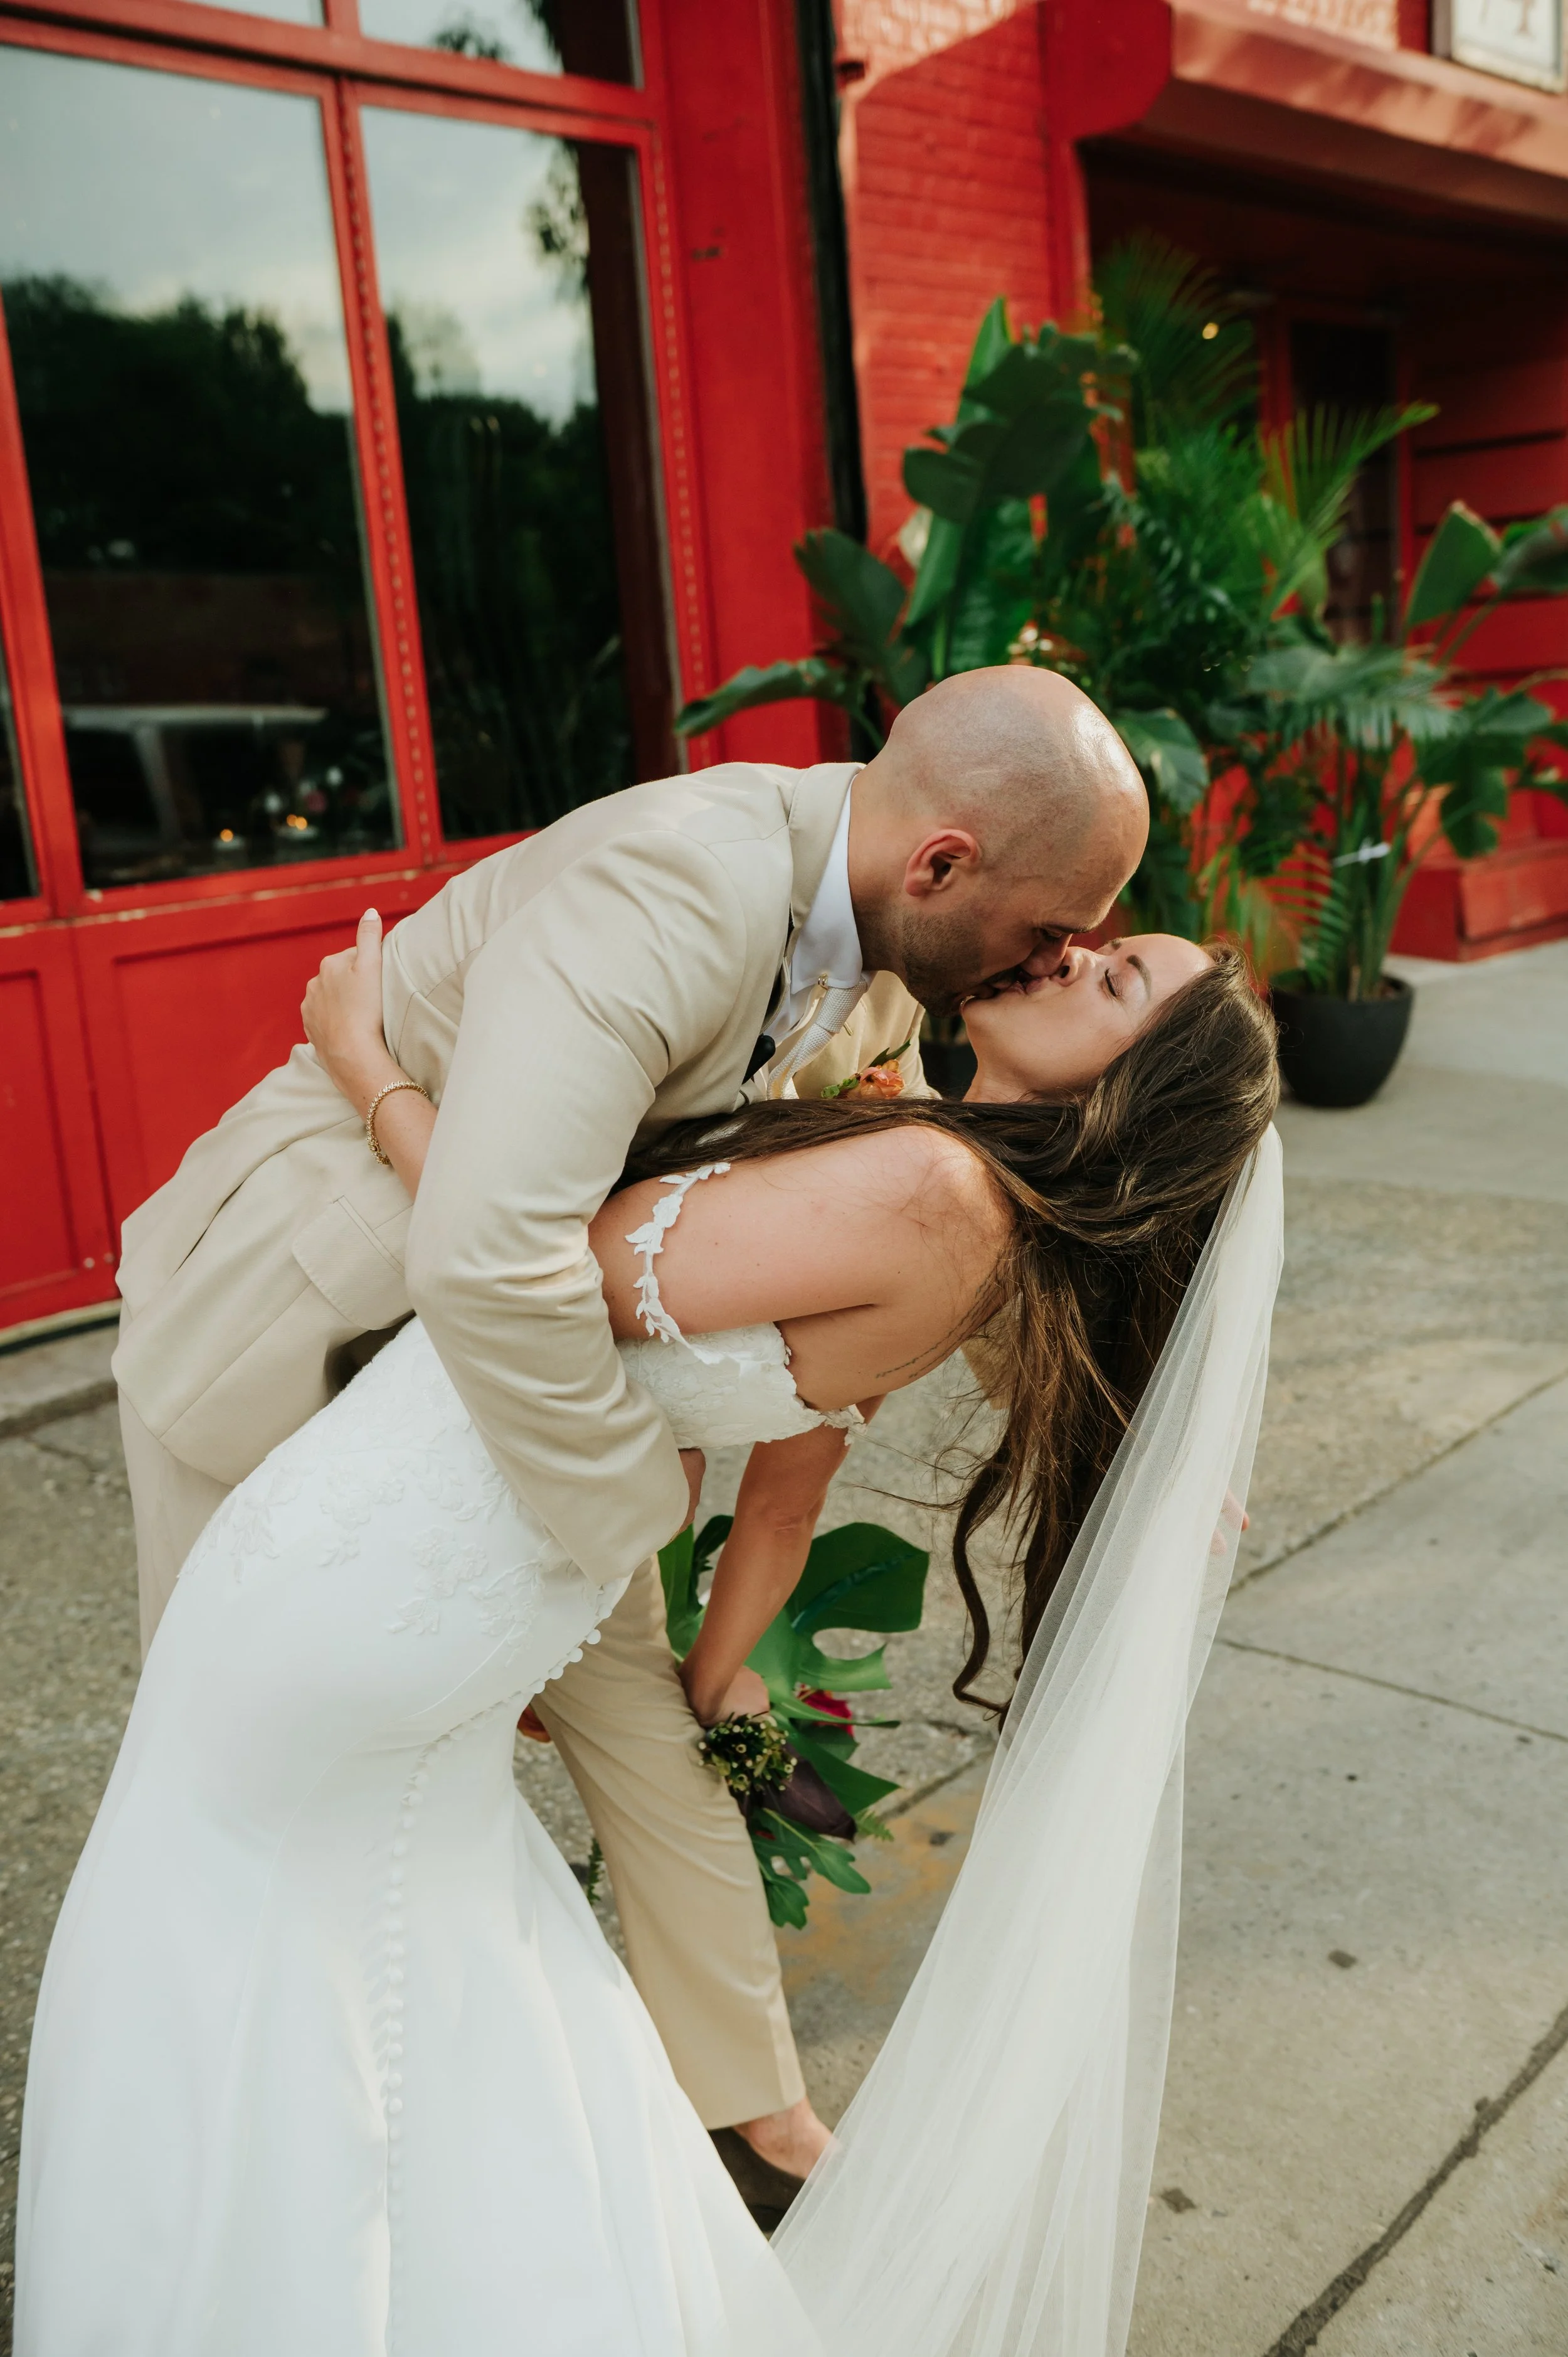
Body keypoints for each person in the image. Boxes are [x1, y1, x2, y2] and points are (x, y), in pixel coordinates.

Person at [16, 899, 1281, 2356]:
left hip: (389, 1567)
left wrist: (368, 1069)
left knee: (232, 1906)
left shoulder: (938, 1193)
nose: (1069, 951)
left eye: (1115, 978)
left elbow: (531, 1279)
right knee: (390, 1933)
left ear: (1134, 1093)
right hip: (431, 1547)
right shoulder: (961, 1187)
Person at [106, 666, 1149, 2178]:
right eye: (1049, 929)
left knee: (654, 1740)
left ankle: (760, 2118)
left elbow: (962, 1241)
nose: (1051, 961)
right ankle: (216, 2153)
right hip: (296, 1342)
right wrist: (624, 1528)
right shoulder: (681, 886)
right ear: (942, 867)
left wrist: (1112, 1430)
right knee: (235, 1788)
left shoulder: (878, 961)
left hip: (526, 1388)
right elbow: (489, 1251)